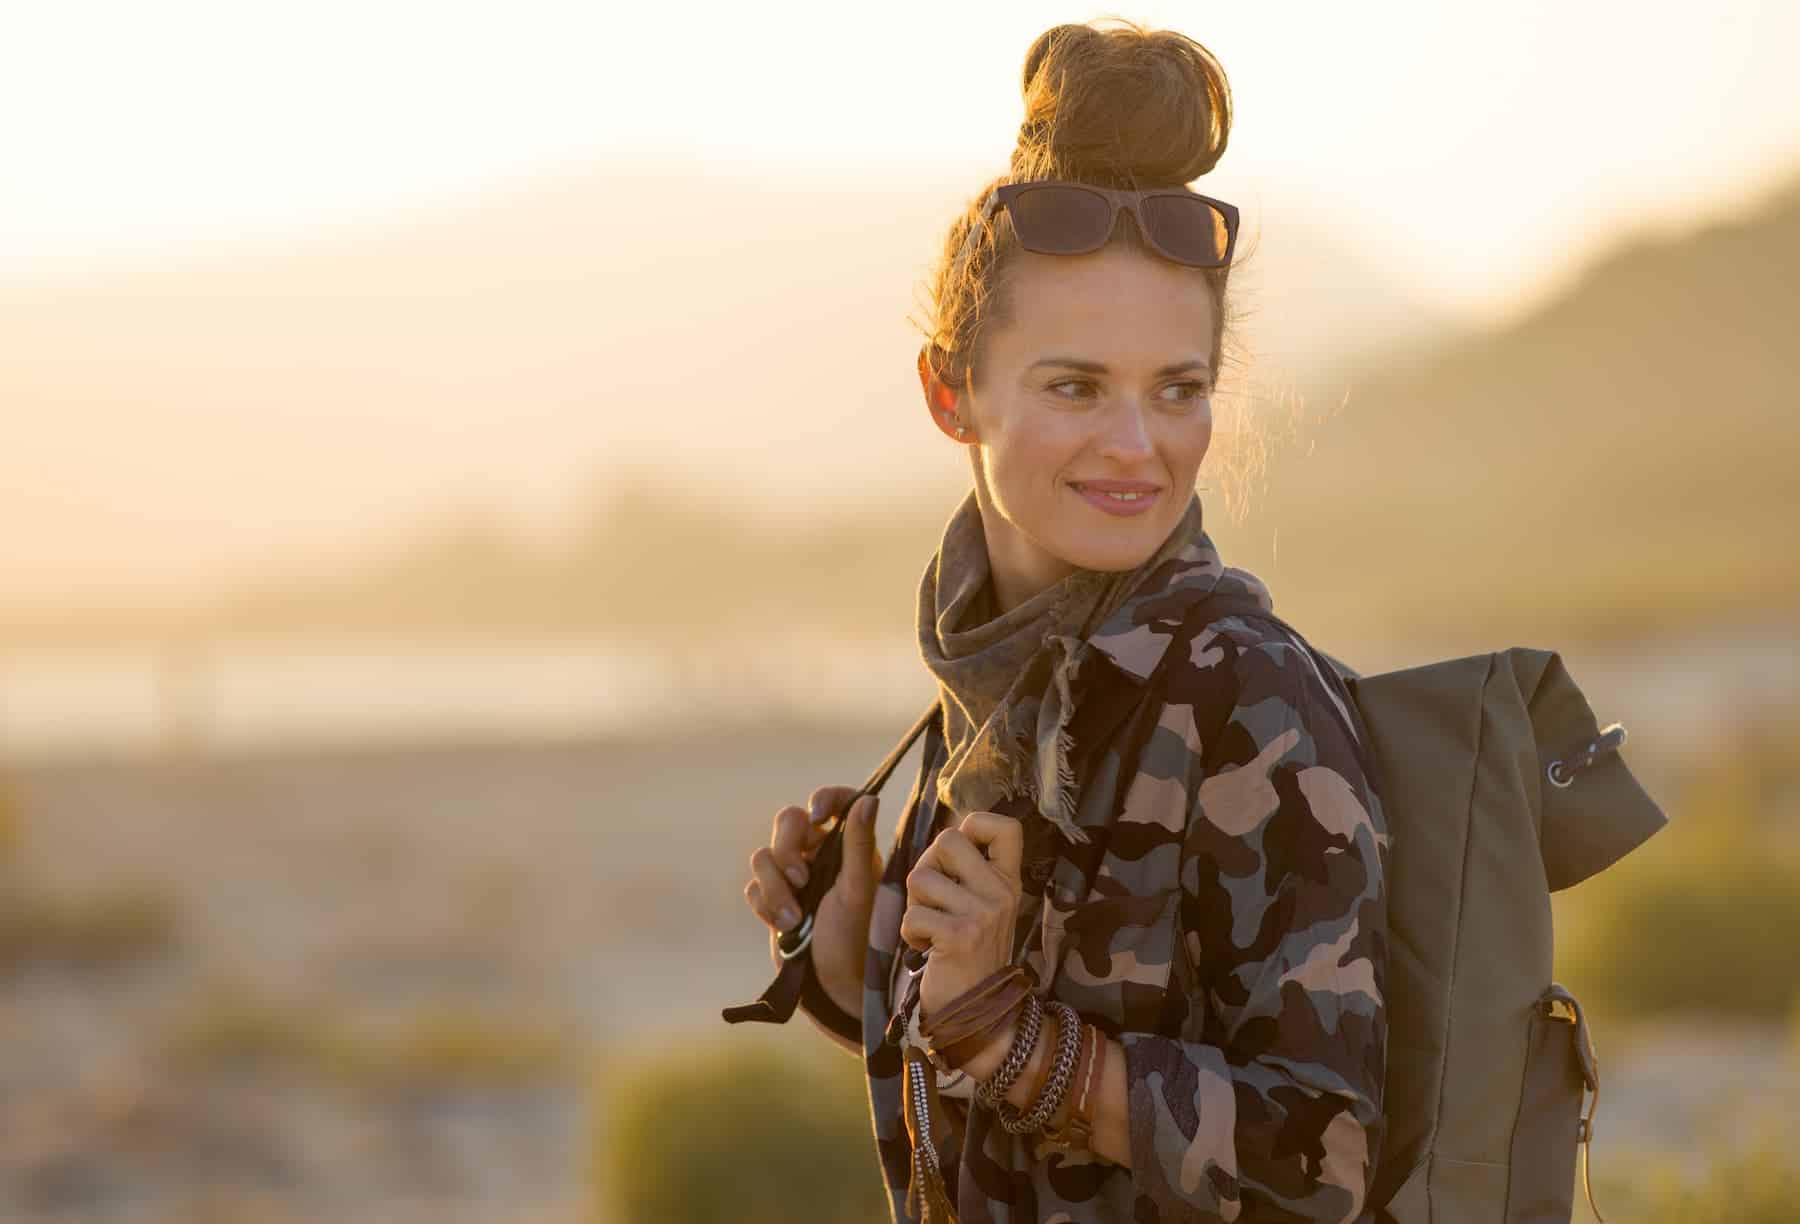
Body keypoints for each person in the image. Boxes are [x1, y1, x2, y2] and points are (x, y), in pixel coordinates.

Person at [741, 19, 1388, 1222]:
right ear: (953, 392)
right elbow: (998, 1136)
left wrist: (1004, 1029)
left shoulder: (1246, 695)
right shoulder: (992, 684)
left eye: (1177, 391)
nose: (1137, 448)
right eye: (1076, 386)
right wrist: (851, 960)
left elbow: (1320, 1164)